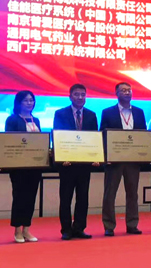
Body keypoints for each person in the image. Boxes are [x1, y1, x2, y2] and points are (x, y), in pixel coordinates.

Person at [100, 82, 147, 236]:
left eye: (129, 90)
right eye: (123, 90)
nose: (127, 93)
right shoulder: (108, 112)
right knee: (110, 194)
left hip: (133, 160)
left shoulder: (139, 112)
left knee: (133, 193)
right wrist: (106, 156)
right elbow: (103, 135)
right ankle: (109, 226)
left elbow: (143, 135)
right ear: (117, 93)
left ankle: (132, 224)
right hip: (114, 160)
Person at [53, 84, 99, 240]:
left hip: (84, 164)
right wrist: (62, 157)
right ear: (70, 96)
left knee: (83, 198)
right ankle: (66, 229)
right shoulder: (60, 114)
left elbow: (94, 138)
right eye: (77, 94)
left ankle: (79, 228)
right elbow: (58, 136)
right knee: (66, 198)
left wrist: (96, 157)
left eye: (83, 94)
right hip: (67, 164)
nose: (80, 97)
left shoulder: (91, 115)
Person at [5, 90, 43, 243]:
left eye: (31, 100)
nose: (29, 103)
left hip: (35, 165)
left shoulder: (36, 120)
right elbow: (9, 141)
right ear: (19, 103)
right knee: (19, 197)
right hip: (18, 166)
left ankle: (27, 229)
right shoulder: (12, 119)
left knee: (31, 197)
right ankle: (17, 230)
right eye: (26, 100)